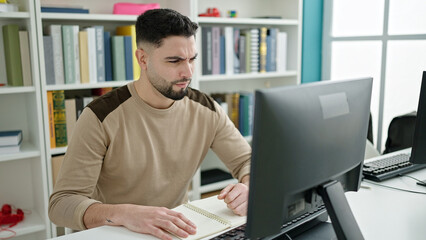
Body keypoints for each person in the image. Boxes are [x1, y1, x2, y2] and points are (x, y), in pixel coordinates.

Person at [48, 8, 251, 240]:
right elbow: (61, 204)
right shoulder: (100, 115)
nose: (187, 72)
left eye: (192, 59)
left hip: (177, 233)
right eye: (174, 60)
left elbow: (247, 160)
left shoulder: (207, 108)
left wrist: (248, 187)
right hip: (114, 233)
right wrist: (125, 214)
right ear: (142, 59)